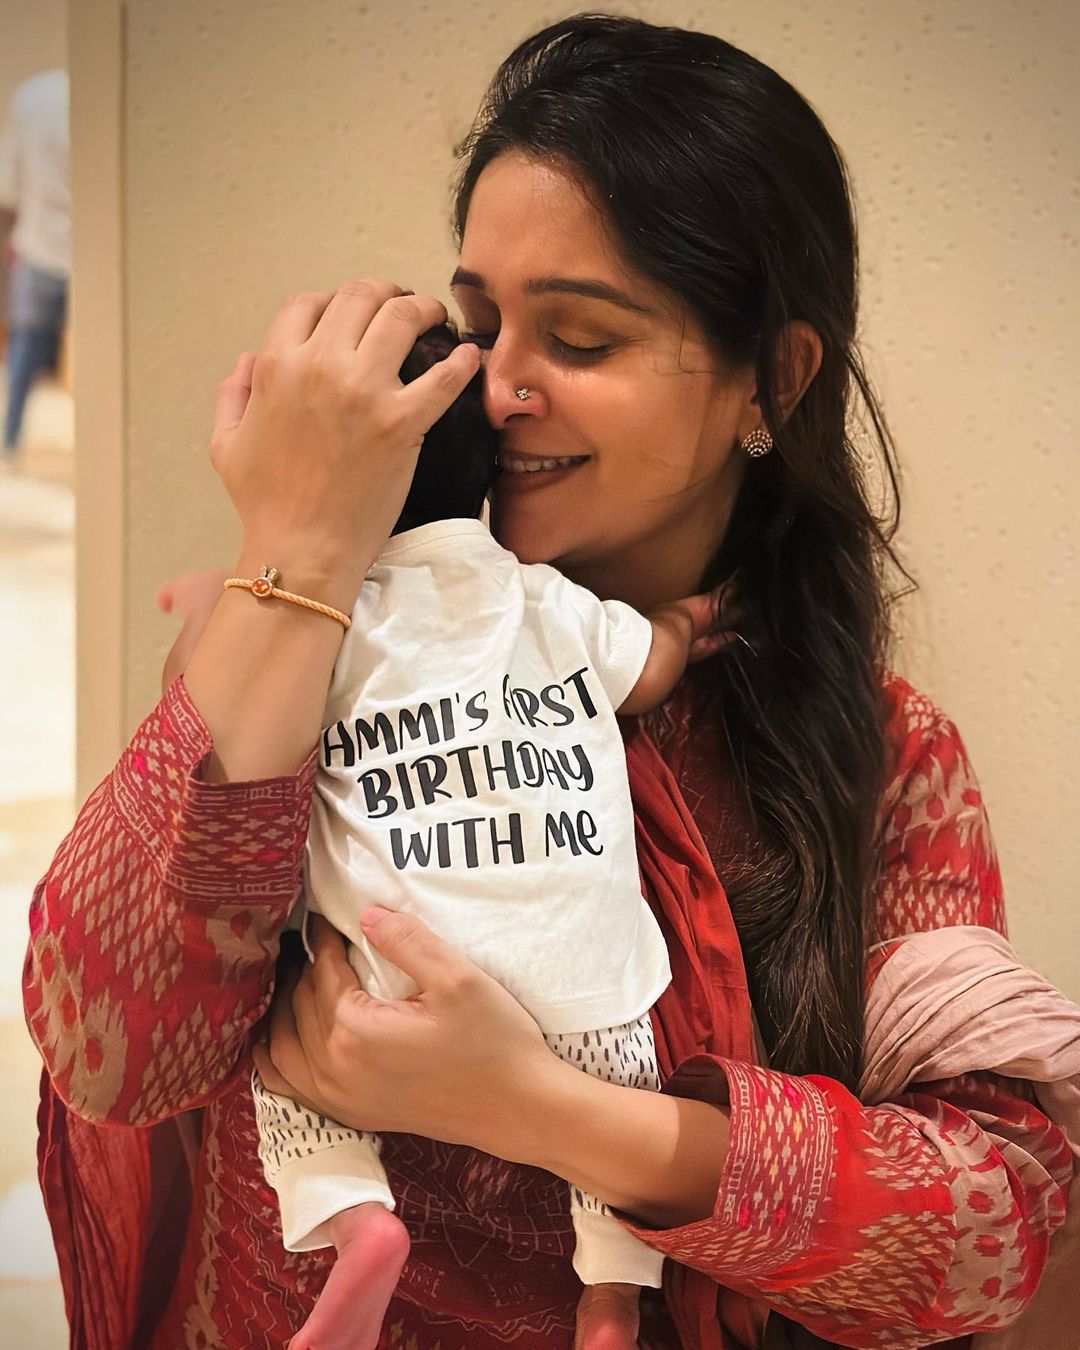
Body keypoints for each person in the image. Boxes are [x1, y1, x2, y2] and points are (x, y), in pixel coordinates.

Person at [23, 15, 1079, 1350]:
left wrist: (540, 1107)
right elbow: (109, 1052)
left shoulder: (876, 751)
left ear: (773, 380)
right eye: (478, 327)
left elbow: (991, 1222)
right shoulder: (318, 644)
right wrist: (294, 553)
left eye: (578, 340)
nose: (499, 388)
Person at [243, 323, 727, 1349]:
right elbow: (650, 670)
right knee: (621, 1093)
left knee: (285, 1068)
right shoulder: (546, 598)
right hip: (588, 986)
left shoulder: (332, 622)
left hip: (388, 979)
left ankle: (358, 1222)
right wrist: (688, 621)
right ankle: (612, 1302)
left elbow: (228, 721)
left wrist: (250, 573)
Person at [0, 68, 69, 460]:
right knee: (95, 351)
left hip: (38, 244)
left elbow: (9, 181)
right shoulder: (90, 96)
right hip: (88, 251)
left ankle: (10, 439)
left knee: (24, 345)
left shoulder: (30, 98)